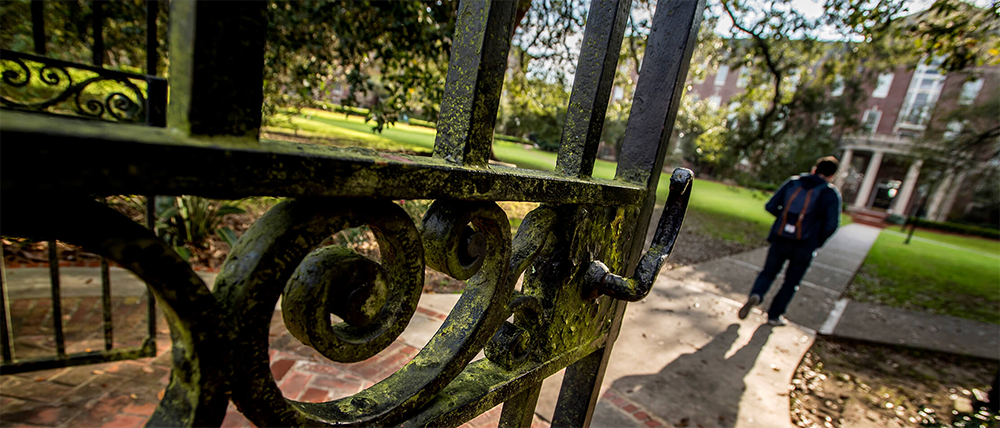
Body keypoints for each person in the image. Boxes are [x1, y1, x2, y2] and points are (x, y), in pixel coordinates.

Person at [738, 156, 842, 326]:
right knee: (791, 282)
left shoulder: (794, 183)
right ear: (832, 176)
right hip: (805, 245)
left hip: (780, 238)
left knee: (768, 272)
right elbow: (831, 225)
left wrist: (785, 221)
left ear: (814, 169)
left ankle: (756, 294)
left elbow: (771, 206)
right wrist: (816, 241)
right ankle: (774, 315)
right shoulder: (830, 194)